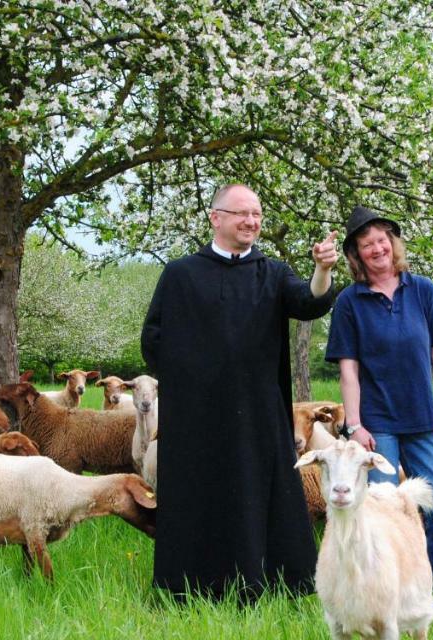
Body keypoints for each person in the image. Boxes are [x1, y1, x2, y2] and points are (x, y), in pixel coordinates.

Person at [141, 184, 339, 600]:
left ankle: (260, 584)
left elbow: (309, 302)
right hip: (197, 417)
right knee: (199, 494)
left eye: (257, 215)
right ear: (216, 217)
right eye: (242, 213)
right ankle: (190, 588)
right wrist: (190, 383)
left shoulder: (273, 272)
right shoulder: (180, 275)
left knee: (255, 493)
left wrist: (322, 270)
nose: (251, 222)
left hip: (257, 413)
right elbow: (154, 341)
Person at [324, 206, 433, 596]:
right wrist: (355, 425)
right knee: (383, 513)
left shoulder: (423, 291)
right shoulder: (350, 303)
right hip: (376, 427)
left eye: (382, 240)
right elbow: (348, 370)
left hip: (422, 421)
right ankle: (387, 596)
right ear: (356, 256)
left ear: (393, 244)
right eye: (367, 245)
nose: (377, 249)